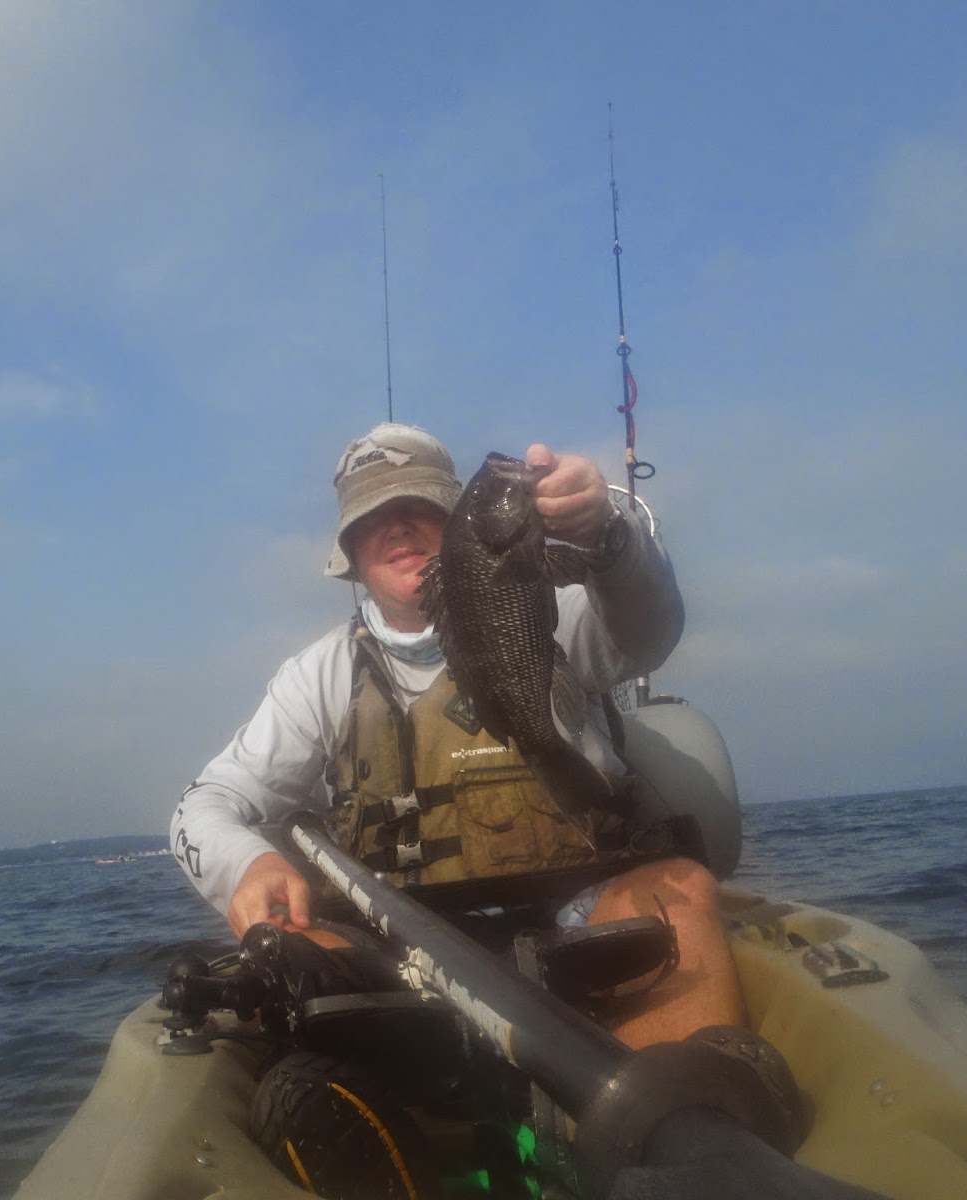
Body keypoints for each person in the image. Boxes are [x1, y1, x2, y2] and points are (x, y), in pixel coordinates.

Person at [170, 421, 747, 1049]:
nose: (397, 525)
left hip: (581, 911)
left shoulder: (552, 606)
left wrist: (611, 537)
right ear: (352, 553)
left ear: (455, 518)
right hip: (399, 947)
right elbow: (202, 805)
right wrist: (247, 864)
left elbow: (650, 631)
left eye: (418, 504)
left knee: (681, 892)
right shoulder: (317, 676)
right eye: (373, 515)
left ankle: (682, 1119)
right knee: (283, 955)